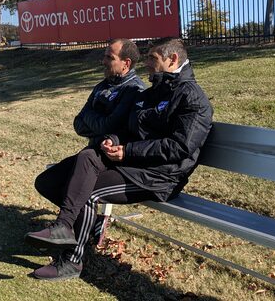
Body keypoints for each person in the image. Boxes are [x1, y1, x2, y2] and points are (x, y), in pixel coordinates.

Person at [25, 37, 213, 281]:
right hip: (134, 164)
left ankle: (72, 261)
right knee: (79, 162)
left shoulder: (192, 98)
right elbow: (131, 128)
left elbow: (179, 147)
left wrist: (129, 151)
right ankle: (64, 226)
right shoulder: (154, 91)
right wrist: (114, 139)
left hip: (160, 176)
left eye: (152, 59)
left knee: (89, 193)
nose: (145, 63)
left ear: (173, 59)